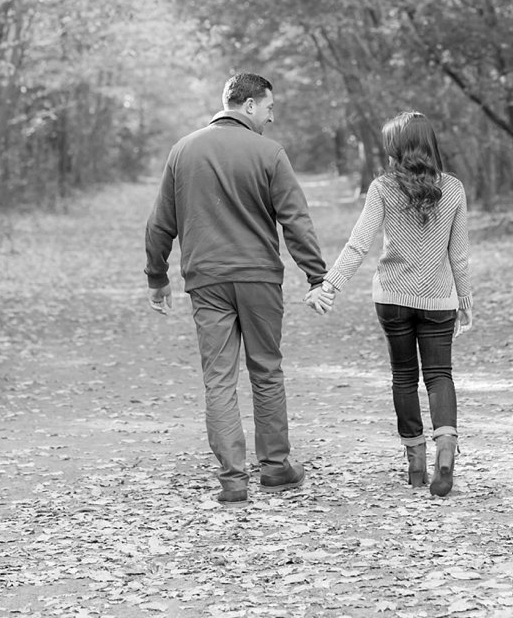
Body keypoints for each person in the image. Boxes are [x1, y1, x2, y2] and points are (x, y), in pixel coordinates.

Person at [144, 72, 328, 504]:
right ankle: (276, 468)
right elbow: (296, 220)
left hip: (207, 280)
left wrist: (157, 278)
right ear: (248, 105)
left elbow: (159, 224)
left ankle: (232, 479)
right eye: (268, 107)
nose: (271, 116)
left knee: (219, 379)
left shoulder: (183, 151)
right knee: (266, 370)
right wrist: (315, 275)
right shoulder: (269, 153)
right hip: (259, 277)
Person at [306, 111, 473, 497]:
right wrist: (464, 300)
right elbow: (459, 255)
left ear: (396, 147)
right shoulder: (453, 189)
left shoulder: (382, 188)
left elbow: (359, 243)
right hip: (438, 298)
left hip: (393, 299)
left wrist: (330, 286)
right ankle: (445, 452)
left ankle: (416, 461)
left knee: (403, 376)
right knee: (439, 375)